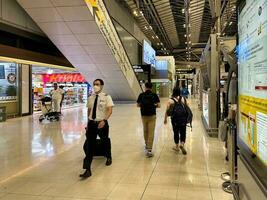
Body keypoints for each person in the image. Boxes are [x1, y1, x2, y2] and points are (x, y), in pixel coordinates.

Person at [80, 79, 114, 178]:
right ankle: (87, 169)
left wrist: (104, 120)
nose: (95, 86)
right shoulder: (90, 97)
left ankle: (108, 156)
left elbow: (109, 110)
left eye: (97, 84)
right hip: (91, 124)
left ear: (102, 86)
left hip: (102, 123)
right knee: (89, 144)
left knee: (105, 140)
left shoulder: (107, 97)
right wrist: (88, 123)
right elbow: (89, 111)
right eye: (94, 84)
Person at [137, 82, 160, 157]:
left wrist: (144, 106)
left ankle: (147, 144)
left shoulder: (141, 95)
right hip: (152, 115)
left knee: (145, 130)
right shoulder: (154, 95)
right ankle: (149, 150)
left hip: (143, 115)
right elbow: (159, 105)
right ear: (151, 87)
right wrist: (153, 106)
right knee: (151, 132)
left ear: (145, 87)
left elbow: (138, 105)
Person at [164, 87, 188, 155]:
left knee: (176, 132)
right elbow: (187, 108)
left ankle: (177, 146)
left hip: (175, 120)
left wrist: (165, 119)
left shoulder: (170, 100)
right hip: (183, 119)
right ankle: (182, 144)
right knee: (183, 132)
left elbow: (167, 110)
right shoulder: (183, 99)